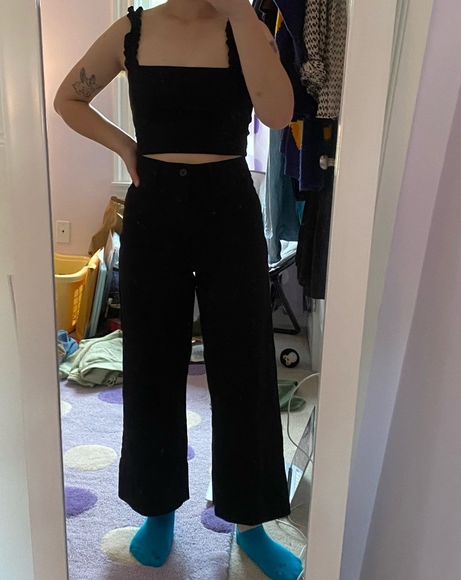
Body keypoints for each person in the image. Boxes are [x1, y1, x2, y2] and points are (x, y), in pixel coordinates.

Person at [55, 1, 302, 578]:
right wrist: (125, 146)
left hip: (229, 206)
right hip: (155, 205)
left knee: (245, 366)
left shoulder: (244, 25)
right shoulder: (132, 29)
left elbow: (279, 112)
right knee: (151, 360)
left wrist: (243, 14)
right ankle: (158, 508)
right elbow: (69, 98)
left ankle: (251, 522)